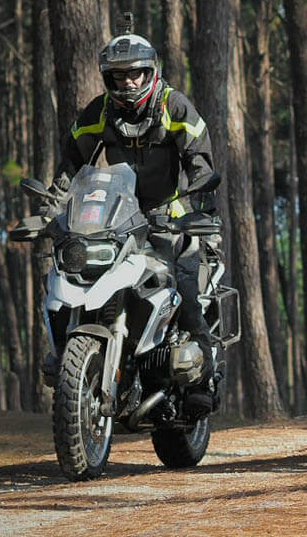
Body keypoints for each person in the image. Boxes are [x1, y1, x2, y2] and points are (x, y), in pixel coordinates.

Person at [49, 31, 218, 414]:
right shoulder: (100, 112)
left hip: (169, 218)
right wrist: (54, 207)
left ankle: (201, 377)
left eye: (137, 73)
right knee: (72, 278)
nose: (129, 82)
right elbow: (71, 165)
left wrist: (199, 207)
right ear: (108, 79)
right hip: (117, 219)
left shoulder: (175, 107)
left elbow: (201, 162)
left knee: (187, 288)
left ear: (151, 71)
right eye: (119, 76)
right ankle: (67, 362)